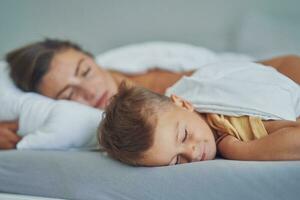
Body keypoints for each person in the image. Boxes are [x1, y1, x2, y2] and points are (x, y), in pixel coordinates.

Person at [1, 38, 300, 149]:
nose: (90, 92)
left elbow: (236, 69)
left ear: (92, 58)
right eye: (69, 94)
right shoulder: (120, 125)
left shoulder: (147, 67)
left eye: (85, 71)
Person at [98, 80, 300, 166]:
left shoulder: (230, 121)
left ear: (184, 104)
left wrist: (243, 150)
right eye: (176, 161)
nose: (192, 153)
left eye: (184, 135)